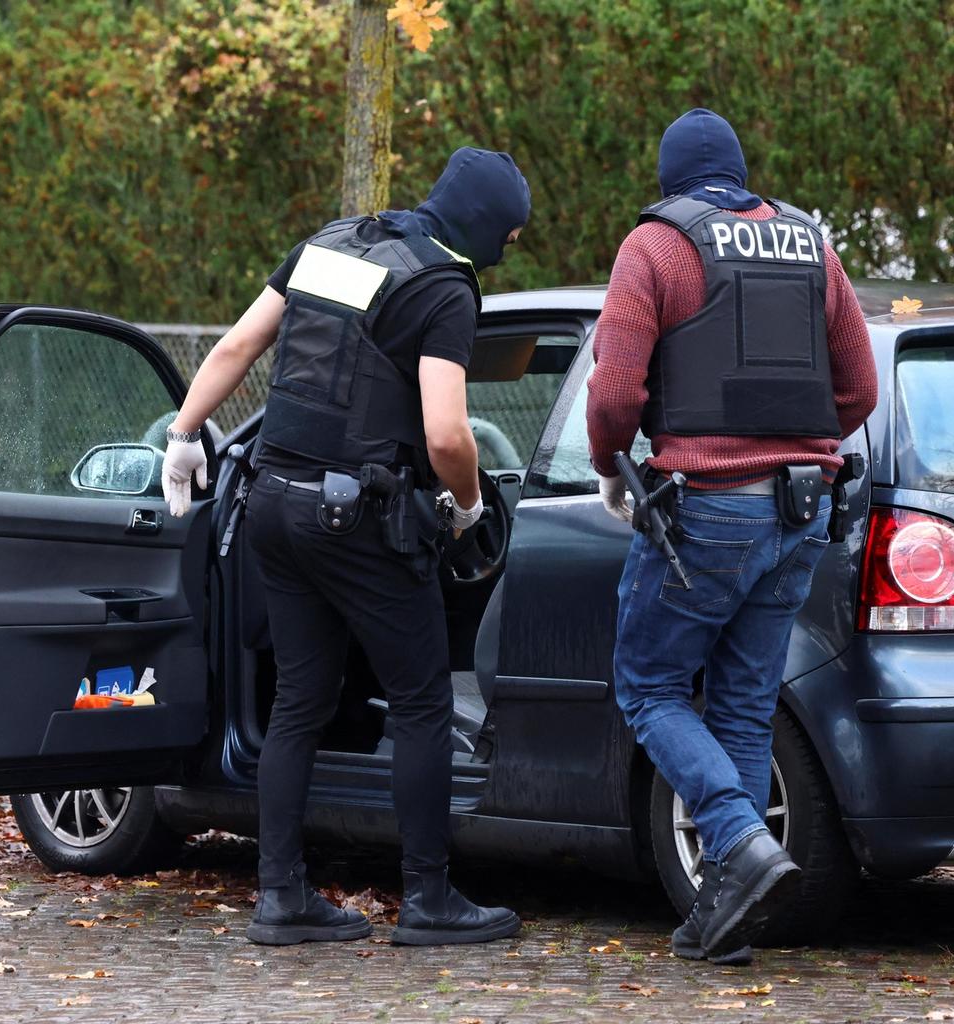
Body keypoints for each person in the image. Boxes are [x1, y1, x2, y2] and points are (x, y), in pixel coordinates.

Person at [161, 147, 531, 947]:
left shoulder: (330, 242)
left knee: (299, 697)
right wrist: (469, 504)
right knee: (423, 699)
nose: (507, 249)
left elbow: (234, 348)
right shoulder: (444, 286)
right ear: (486, 226)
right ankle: (429, 899)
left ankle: (281, 895)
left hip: (271, 501)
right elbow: (446, 433)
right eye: (510, 235)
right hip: (356, 520)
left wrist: (184, 434)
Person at [587, 109, 878, 963]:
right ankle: (728, 910)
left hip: (708, 506)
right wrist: (793, 442)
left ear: (670, 179)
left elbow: (613, 394)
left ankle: (737, 839)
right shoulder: (810, 245)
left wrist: (611, 464)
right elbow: (858, 388)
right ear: (741, 175)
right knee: (744, 706)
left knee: (648, 686)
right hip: (801, 510)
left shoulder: (656, 246)